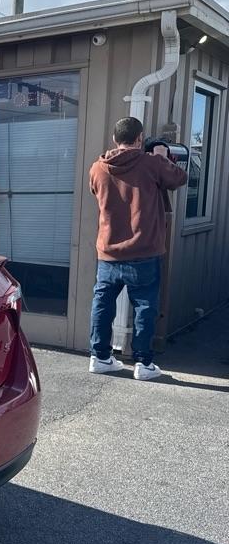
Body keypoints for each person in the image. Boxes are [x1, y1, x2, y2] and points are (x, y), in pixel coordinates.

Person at [88, 116, 187, 380]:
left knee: (102, 304)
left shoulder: (98, 168)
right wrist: (162, 155)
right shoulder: (152, 164)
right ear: (140, 138)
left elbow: (96, 193)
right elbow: (180, 178)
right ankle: (143, 364)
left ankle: (99, 357)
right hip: (144, 250)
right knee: (145, 306)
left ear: (114, 139)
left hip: (108, 251)